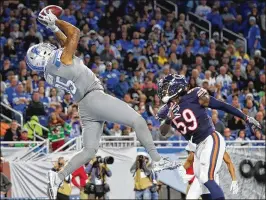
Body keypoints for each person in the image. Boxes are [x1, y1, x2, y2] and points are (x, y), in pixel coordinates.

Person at [28, 9, 179, 199]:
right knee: (138, 120)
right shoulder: (60, 60)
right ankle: (157, 160)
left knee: (89, 150)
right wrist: (56, 21)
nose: (49, 47)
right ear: (43, 53)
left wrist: (52, 28)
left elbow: (67, 45)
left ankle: (58, 177)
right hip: (94, 97)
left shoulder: (49, 73)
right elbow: (74, 34)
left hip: (84, 107)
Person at [157, 74, 261, 200]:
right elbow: (162, 132)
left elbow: (221, 105)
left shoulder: (195, 95)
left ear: (175, 87)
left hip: (209, 139)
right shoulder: (166, 110)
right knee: (202, 182)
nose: (163, 90)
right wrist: (168, 119)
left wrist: (245, 117)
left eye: (166, 87)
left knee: (206, 177)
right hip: (196, 147)